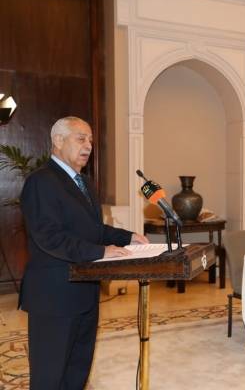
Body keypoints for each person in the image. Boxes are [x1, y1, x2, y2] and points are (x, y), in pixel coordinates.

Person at [19, 116, 148, 390]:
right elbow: (50, 237)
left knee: (78, 371)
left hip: (85, 293)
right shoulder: (41, 181)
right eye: (81, 139)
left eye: (90, 140)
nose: (88, 145)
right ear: (58, 140)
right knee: (49, 377)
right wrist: (101, 251)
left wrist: (127, 237)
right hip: (55, 296)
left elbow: (93, 229)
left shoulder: (85, 183)